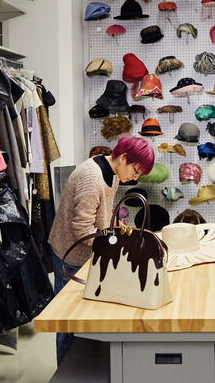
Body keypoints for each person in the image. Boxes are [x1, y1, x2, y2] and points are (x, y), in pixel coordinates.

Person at [47, 135, 155, 364]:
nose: (134, 178)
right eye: (135, 171)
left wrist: (116, 225)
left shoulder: (112, 170)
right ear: (124, 157)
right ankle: (68, 374)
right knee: (69, 323)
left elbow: (103, 210)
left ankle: (83, 368)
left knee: (86, 320)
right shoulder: (91, 178)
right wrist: (113, 246)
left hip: (87, 254)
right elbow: (82, 229)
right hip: (70, 254)